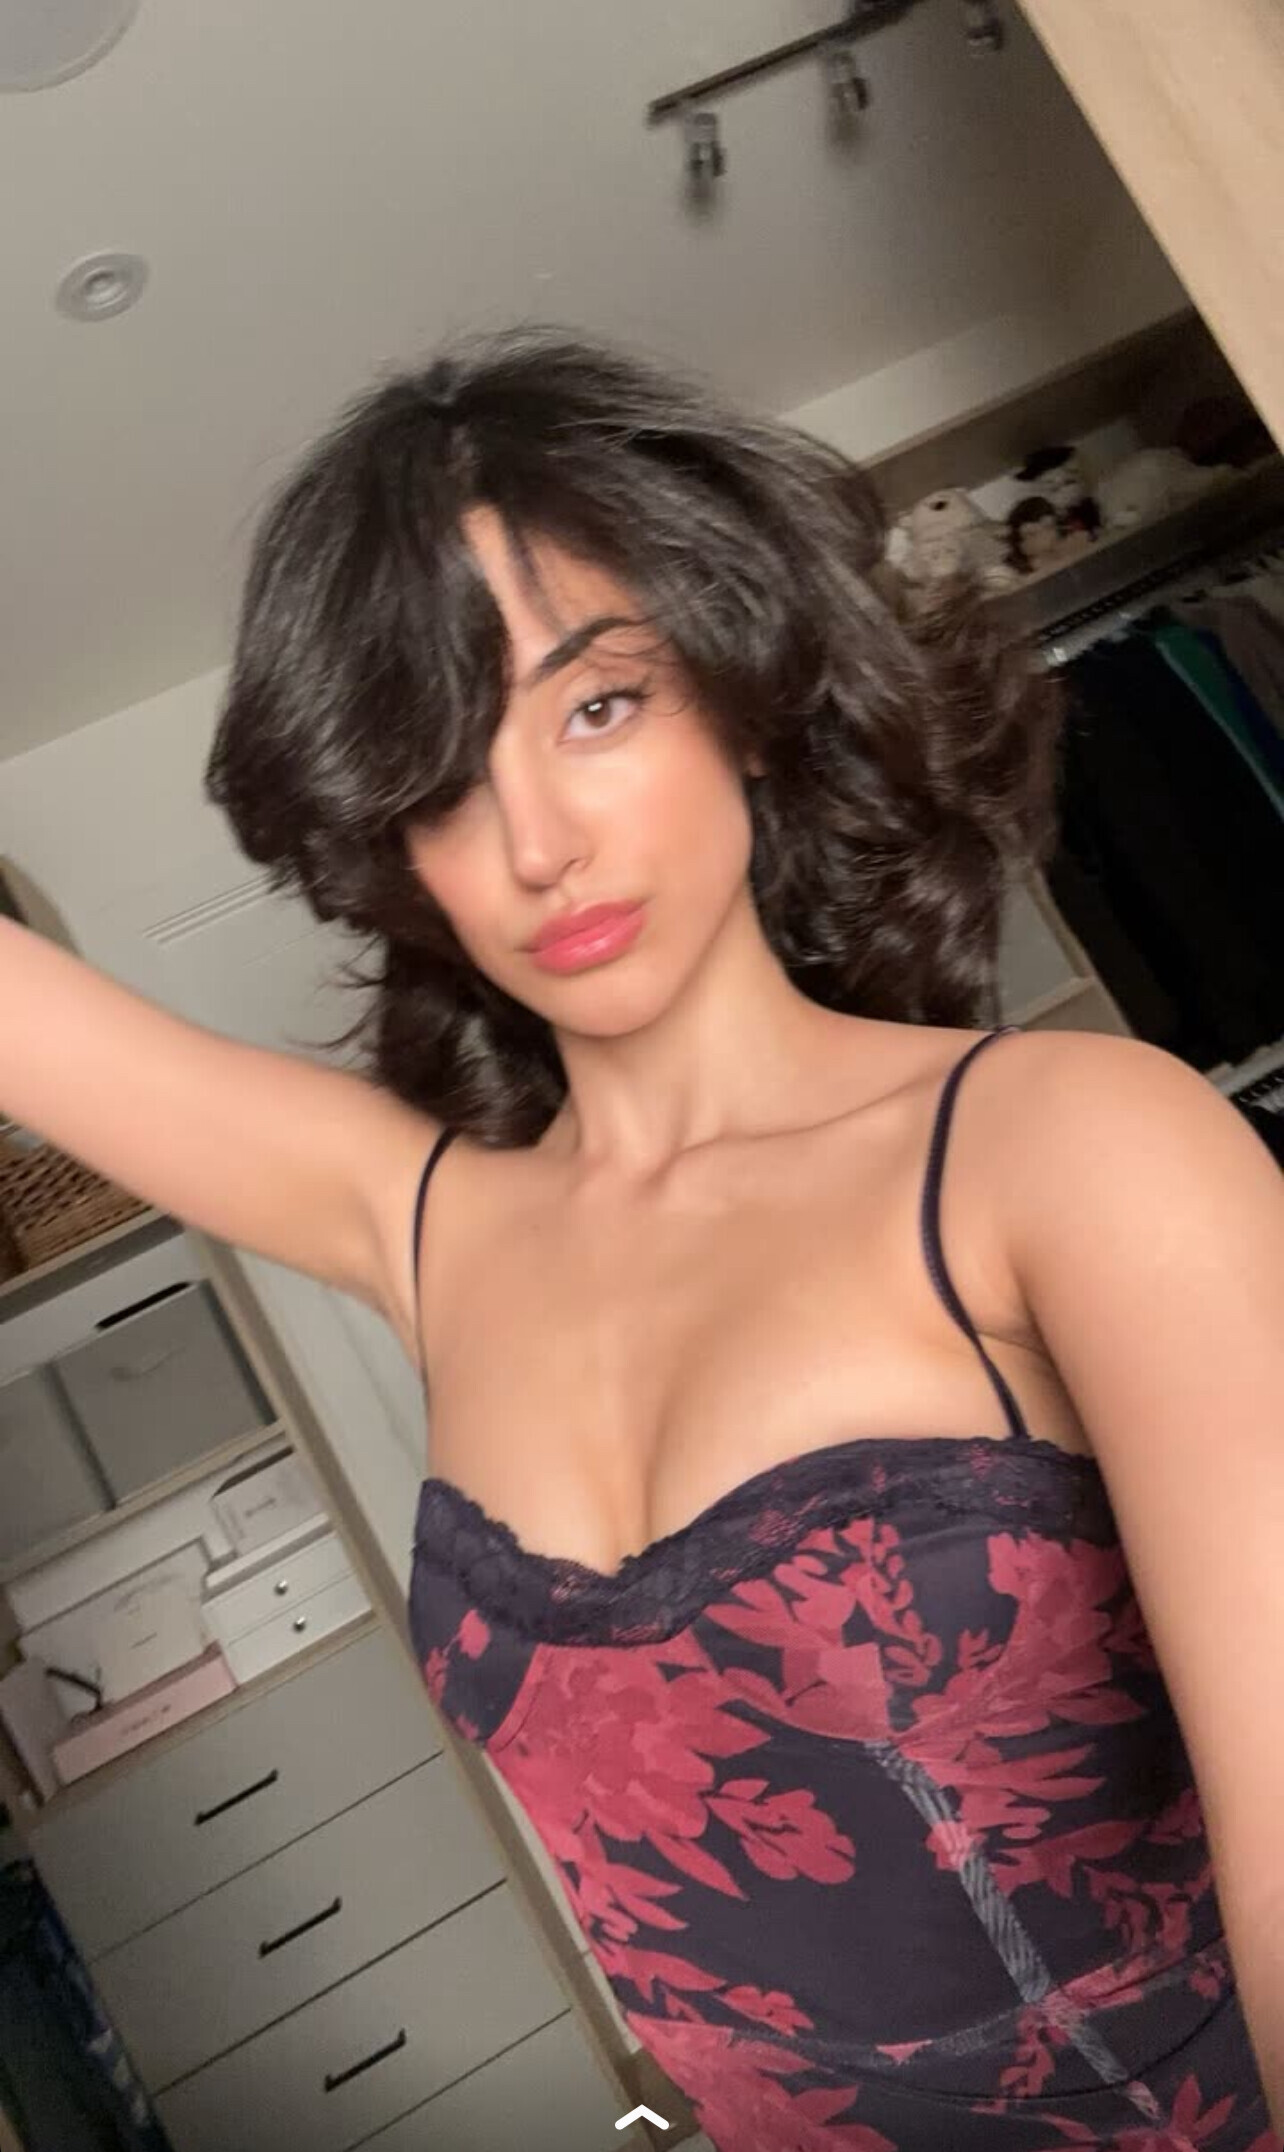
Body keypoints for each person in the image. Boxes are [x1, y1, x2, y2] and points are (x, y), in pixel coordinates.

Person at [5, 328, 1283, 2151]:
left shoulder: (1065, 1150)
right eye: (443, 779)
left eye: (596, 706)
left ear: (745, 696)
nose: (535, 841)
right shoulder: (427, 1227)